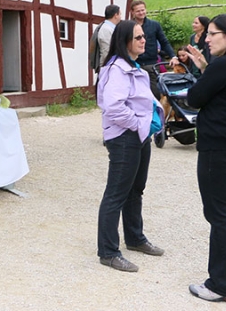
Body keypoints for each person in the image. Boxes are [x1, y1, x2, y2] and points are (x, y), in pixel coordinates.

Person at [96, 19, 165, 273]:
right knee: (116, 193)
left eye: (143, 36)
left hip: (138, 135)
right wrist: (138, 124)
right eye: (138, 37)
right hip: (125, 137)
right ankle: (108, 251)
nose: (144, 40)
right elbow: (113, 106)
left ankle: (135, 238)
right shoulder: (117, 69)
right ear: (124, 41)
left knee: (136, 189)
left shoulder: (131, 66)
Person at [185, 14, 226, 302]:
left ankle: (220, 285)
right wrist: (206, 68)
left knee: (219, 214)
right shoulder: (221, 67)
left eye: (213, 33)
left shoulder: (224, 65)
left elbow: (194, 98)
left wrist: (206, 71)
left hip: (217, 147)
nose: (206, 38)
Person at [129, 0, 178, 99]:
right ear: (132, 12)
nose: (141, 13)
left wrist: (173, 56)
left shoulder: (154, 25)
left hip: (152, 64)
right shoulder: (128, 26)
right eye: (138, 11)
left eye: (143, 10)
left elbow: (164, 42)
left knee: (156, 94)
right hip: (134, 64)